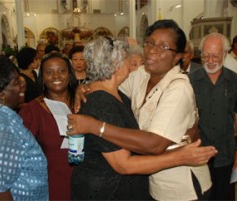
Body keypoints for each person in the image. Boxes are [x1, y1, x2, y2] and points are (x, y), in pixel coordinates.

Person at [68, 20, 217, 200]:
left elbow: (154, 144)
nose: (153, 50)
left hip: (180, 185)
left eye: (164, 47)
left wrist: (95, 127)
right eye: (150, 43)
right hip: (150, 181)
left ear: (177, 57)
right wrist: (84, 87)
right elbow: (107, 85)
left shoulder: (178, 88)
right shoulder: (141, 75)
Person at [0, 56, 48, 201]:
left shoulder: (1, 117)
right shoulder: (0, 128)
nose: (22, 84)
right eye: (16, 83)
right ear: (1, 95)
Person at [188, 33, 237, 200]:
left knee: (223, 196)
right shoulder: (189, 81)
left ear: (224, 54)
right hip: (197, 155)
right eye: (206, 55)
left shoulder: (234, 81)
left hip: (225, 154)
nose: (210, 60)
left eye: (215, 56)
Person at [19, 53, 76, 201]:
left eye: (62, 71)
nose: (56, 76)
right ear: (42, 78)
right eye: (49, 72)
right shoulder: (32, 111)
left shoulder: (83, 103)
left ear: (70, 75)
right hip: (53, 184)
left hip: (88, 182)